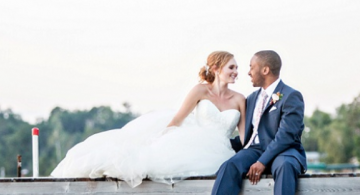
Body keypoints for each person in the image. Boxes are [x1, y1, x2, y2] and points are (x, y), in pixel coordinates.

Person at [51, 51, 246, 187]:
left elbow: (245, 137)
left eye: (237, 67)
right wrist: (162, 136)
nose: (236, 71)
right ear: (216, 68)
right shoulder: (200, 90)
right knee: (150, 159)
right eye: (231, 67)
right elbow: (179, 117)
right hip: (195, 139)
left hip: (220, 149)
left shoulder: (239, 99)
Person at [192, 50, 306, 195]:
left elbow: (286, 136)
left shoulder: (290, 96)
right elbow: (248, 136)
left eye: (251, 67)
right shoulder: (251, 99)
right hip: (254, 150)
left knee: (285, 166)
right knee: (231, 165)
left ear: (265, 69)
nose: (248, 72)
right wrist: (216, 144)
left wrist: (262, 162)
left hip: (284, 151)